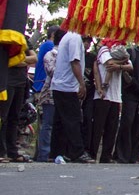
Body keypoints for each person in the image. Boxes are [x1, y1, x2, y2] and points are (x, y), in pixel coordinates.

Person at [49, 29, 94, 163]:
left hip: (60, 84)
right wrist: (82, 83)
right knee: (73, 119)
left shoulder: (68, 36)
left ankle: (56, 152)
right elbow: (75, 62)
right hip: (67, 85)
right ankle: (77, 152)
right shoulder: (74, 38)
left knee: (60, 121)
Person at [91, 40, 132, 163]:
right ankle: (92, 154)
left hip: (116, 96)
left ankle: (106, 156)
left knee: (112, 128)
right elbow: (109, 63)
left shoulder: (121, 49)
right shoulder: (104, 50)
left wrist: (119, 65)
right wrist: (122, 63)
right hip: (103, 95)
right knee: (98, 127)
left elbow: (130, 66)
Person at [116, 44, 139, 163]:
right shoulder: (131, 52)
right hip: (130, 94)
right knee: (127, 123)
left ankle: (134, 156)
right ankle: (122, 155)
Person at [0, 44, 35, 162]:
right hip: (7, 82)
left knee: (15, 118)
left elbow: (34, 58)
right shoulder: (6, 38)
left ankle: (12, 152)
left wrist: (19, 60)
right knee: (3, 117)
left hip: (21, 83)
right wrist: (24, 60)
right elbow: (7, 60)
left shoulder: (23, 39)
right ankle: (1, 152)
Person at [32, 25, 59, 162]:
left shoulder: (44, 46)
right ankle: (43, 154)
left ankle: (41, 154)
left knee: (45, 123)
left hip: (40, 85)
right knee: (47, 123)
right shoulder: (50, 47)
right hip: (45, 86)